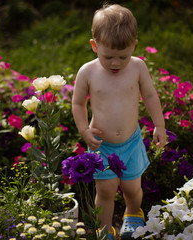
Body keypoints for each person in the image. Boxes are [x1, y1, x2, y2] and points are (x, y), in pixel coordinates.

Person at [71, 4, 166, 240]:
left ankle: (133, 214)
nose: (115, 63)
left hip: (131, 142)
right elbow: (78, 103)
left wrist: (159, 125)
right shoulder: (88, 72)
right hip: (101, 144)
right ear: (95, 46)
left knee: (132, 187)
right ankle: (105, 231)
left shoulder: (137, 67)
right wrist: (84, 130)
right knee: (105, 190)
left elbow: (151, 96)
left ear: (133, 46)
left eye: (122, 56)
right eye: (108, 57)